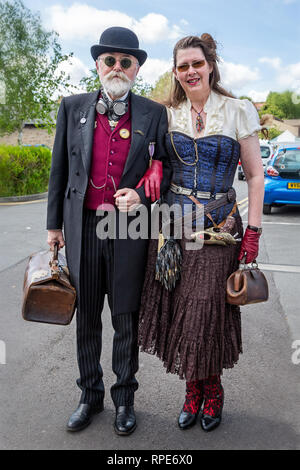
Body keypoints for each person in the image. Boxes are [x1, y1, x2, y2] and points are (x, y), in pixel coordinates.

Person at [47, 26, 171, 435]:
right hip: (81, 225)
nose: (117, 67)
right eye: (110, 60)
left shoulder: (154, 114)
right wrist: (53, 226)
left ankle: (124, 399)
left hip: (129, 227)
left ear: (136, 68)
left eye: (126, 61)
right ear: (98, 64)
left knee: (125, 317)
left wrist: (141, 195)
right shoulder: (72, 106)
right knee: (86, 319)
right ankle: (90, 395)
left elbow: (165, 170)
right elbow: (59, 171)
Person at [138, 34, 265, 432]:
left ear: (210, 64)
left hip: (219, 225)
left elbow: (256, 176)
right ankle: (194, 391)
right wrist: (155, 164)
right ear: (175, 73)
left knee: (204, 313)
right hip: (173, 227)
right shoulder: (167, 113)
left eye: (196, 63)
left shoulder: (237, 110)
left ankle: (212, 391)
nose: (190, 71)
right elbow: (153, 155)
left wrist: (254, 232)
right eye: (182, 66)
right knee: (181, 312)